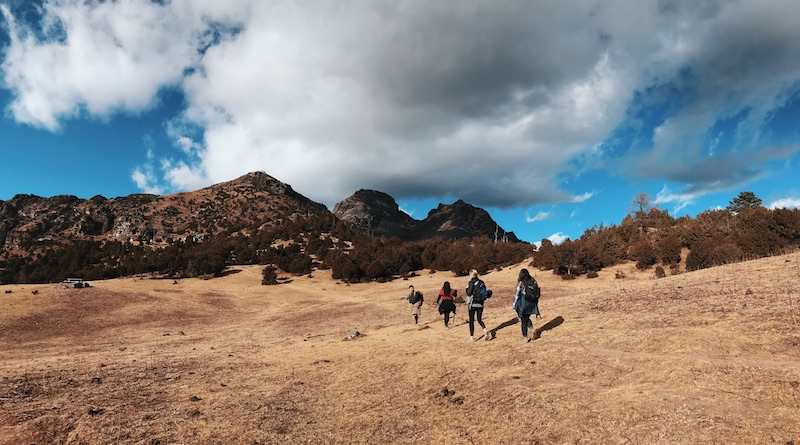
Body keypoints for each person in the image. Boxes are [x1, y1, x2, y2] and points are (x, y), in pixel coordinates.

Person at [512, 268, 541, 342]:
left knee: (523, 320)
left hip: (524, 303)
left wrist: (514, 304)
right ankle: (532, 329)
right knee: (526, 318)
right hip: (532, 303)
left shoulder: (521, 282)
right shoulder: (533, 280)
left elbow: (517, 295)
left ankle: (525, 336)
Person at [465, 269, 488, 342]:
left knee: (471, 320)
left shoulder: (471, 282)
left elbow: (468, 293)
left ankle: (471, 337)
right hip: (480, 303)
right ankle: (485, 330)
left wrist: (466, 288)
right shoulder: (482, 282)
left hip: (472, 304)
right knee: (479, 319)